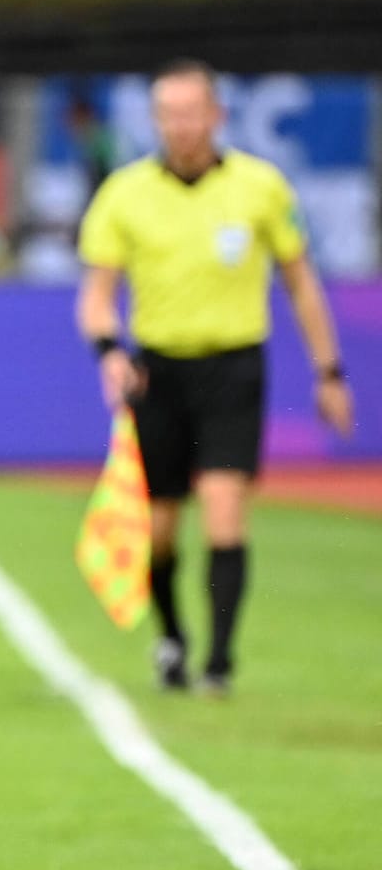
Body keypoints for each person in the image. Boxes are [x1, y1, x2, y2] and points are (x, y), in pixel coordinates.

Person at [76, 59, 355, 696]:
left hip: (233, 368)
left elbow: (301, 283)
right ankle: (172, 638)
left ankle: (220, 662)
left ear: (217, 116)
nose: (179, 126)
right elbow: (97, 294)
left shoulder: (261, 188)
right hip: (158, 372)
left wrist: (329, 370)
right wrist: (109, 351)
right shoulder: (125, 194)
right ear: (155, 120)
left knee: (226, 510)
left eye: (190, 112)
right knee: (163, 526)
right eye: (167, 114)